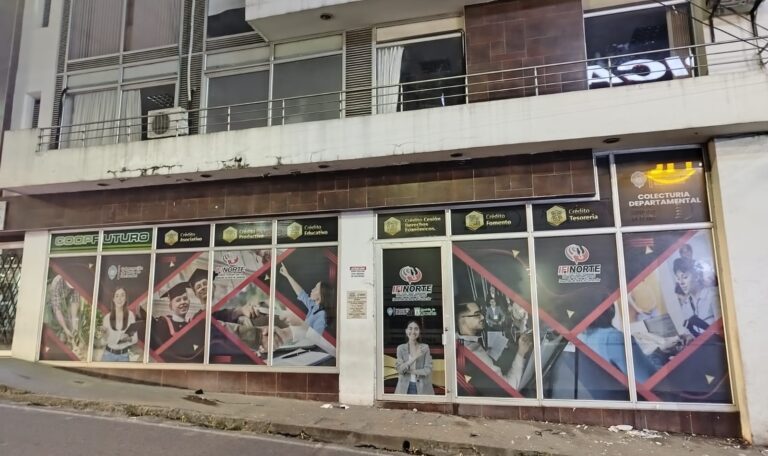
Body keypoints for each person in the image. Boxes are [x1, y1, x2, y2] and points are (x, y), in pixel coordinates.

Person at [456, 301, 532, 391]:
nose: (483, 317)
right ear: (463, 320)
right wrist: (521, 353)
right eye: (477, 315)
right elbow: (510, 387)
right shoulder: (475, 353)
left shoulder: (459, 341)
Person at [673, 257, 720, 338]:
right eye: (678, 279)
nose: (681, 282)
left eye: (685, 277)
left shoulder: (712, 296)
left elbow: (723, 331)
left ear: (696, 276)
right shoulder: (686, 306)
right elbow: (690, 334)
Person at [278, 263, 329, 335]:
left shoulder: (321, 315)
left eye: (315, 288)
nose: (312, 289)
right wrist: (287, 275)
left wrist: (299, 324)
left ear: (321, 295)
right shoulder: (313, 306)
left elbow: (316, 338)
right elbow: (301, 293)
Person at [394, 320, 434, 395]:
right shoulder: (400, 348)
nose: (413, 331)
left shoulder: (425, 348)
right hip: (404, 387)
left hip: (422, 388)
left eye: (416, 329)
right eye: (410, 328)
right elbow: (400, 369)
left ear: (419, 331)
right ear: (406, 331)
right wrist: (415, 357)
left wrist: (409, 371)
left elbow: (427, 370)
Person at [100, 287, 138, 362]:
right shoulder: (107, 317)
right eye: (117, 296)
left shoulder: (130, 315)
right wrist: (104, 335)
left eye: (122, 295)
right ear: (113, 299)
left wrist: (127, 339)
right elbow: (103, 342)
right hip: (108, 356)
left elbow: (135, 339)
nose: (119, 299)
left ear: (125, 298)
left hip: (124, 356)